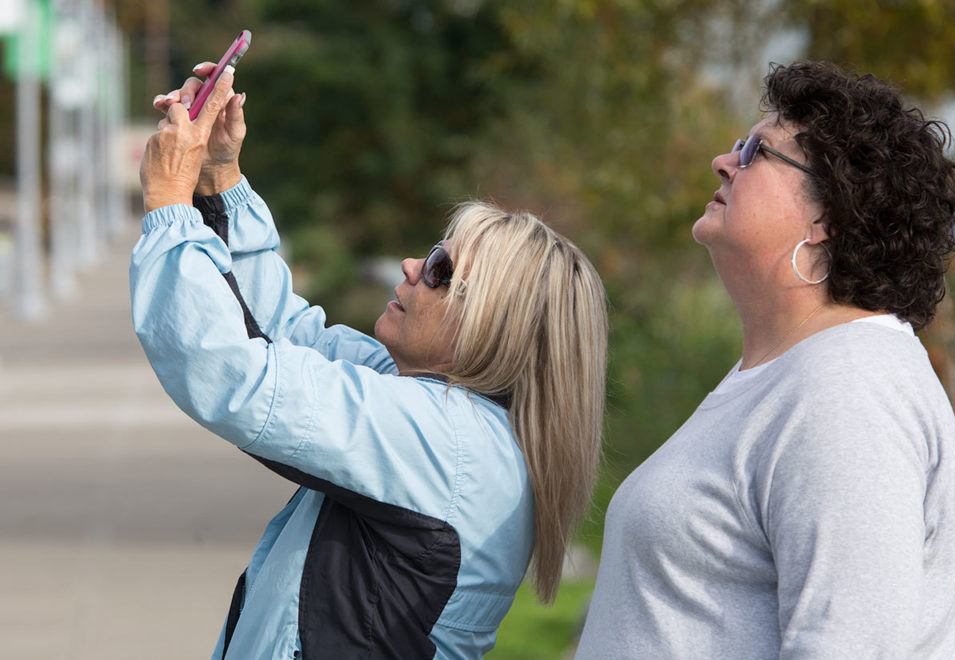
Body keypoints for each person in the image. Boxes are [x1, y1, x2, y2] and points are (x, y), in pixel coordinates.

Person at [136, 64, 608, 659]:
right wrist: (218, 178)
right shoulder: (436, 411)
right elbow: (282, 335)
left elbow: (235, 375)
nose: (412, 265)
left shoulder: (448, 443)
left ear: (492, 326)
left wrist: (168, 202)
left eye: (440, 270)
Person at [576, 61, 955, 658]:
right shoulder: (797, 373)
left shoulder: (849, 391)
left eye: (756, 150)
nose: (724, 161)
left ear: (825, 217)